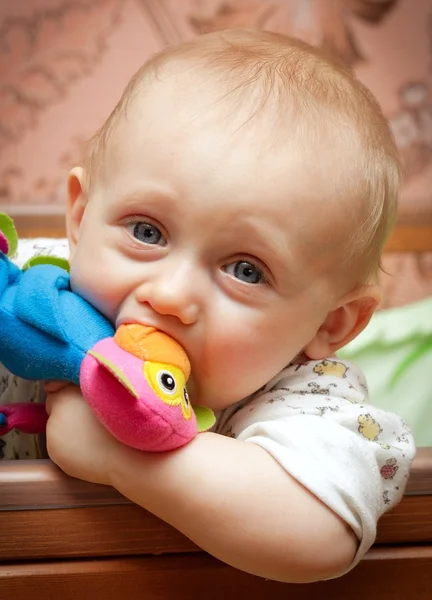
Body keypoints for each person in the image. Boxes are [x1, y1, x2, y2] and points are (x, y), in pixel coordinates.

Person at [2, 30, 415, 583]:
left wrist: (119, 459)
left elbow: (318, 535)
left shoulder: (304, 396)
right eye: (147, 231)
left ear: (330, 323)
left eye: (246, 270)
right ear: (79, 221)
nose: (170, 295)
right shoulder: (34, 294)